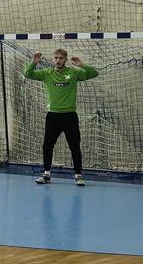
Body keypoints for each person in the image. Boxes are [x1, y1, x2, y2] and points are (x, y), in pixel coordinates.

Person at [22, 48, 99, 185]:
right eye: (56, 58)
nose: (58, 60)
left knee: (74, 146)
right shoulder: (47, 73)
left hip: (70, 116)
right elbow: (28, 74)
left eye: (61, 58)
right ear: (53, 59)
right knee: (47, 145)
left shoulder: (73, 73)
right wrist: (33, 63)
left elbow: (94, 73)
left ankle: (78, 175)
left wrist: (82, 65)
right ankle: (46, 174)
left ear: (65, 59)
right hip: (53, 116)